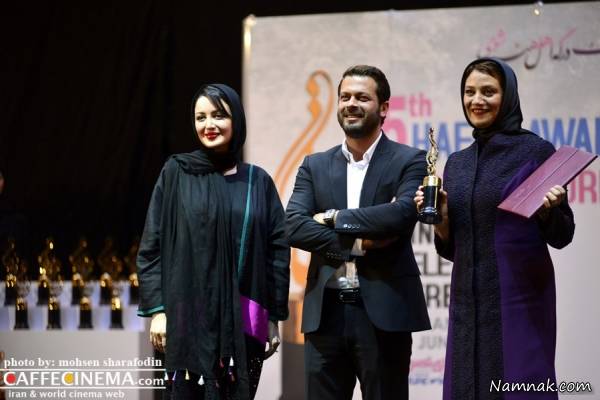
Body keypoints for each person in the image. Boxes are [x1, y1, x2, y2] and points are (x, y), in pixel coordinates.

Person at [415, 58, 575, 400]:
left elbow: (562, 235)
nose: (477, 100)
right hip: (467, 304)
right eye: (469, 92)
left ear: (508, 96)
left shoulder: (536, 152)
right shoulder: (457, 163)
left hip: (520, 300)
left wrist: (550, 211)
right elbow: (452, 248)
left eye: (488, 91)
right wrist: (442, 220)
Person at [137, 83, 290, 400]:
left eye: (219, 115)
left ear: (237, 120)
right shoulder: (177, 173)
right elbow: (152, 246)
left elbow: (277, 254)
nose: (209, 124)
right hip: (186, 322)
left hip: (245, 321)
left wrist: (273, 317)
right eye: (200, 117)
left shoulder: (257, 182)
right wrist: (158, 311)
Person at [286, 65, 431, 400]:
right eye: (345, 97)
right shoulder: (314, 165)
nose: (351, 104)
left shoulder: (410, 160)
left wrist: (331, 217)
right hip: (326, 314)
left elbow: (400, 214)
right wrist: (358, 243)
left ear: (384, 108)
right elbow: (293, 225)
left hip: (383, 314)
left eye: (362, 98)